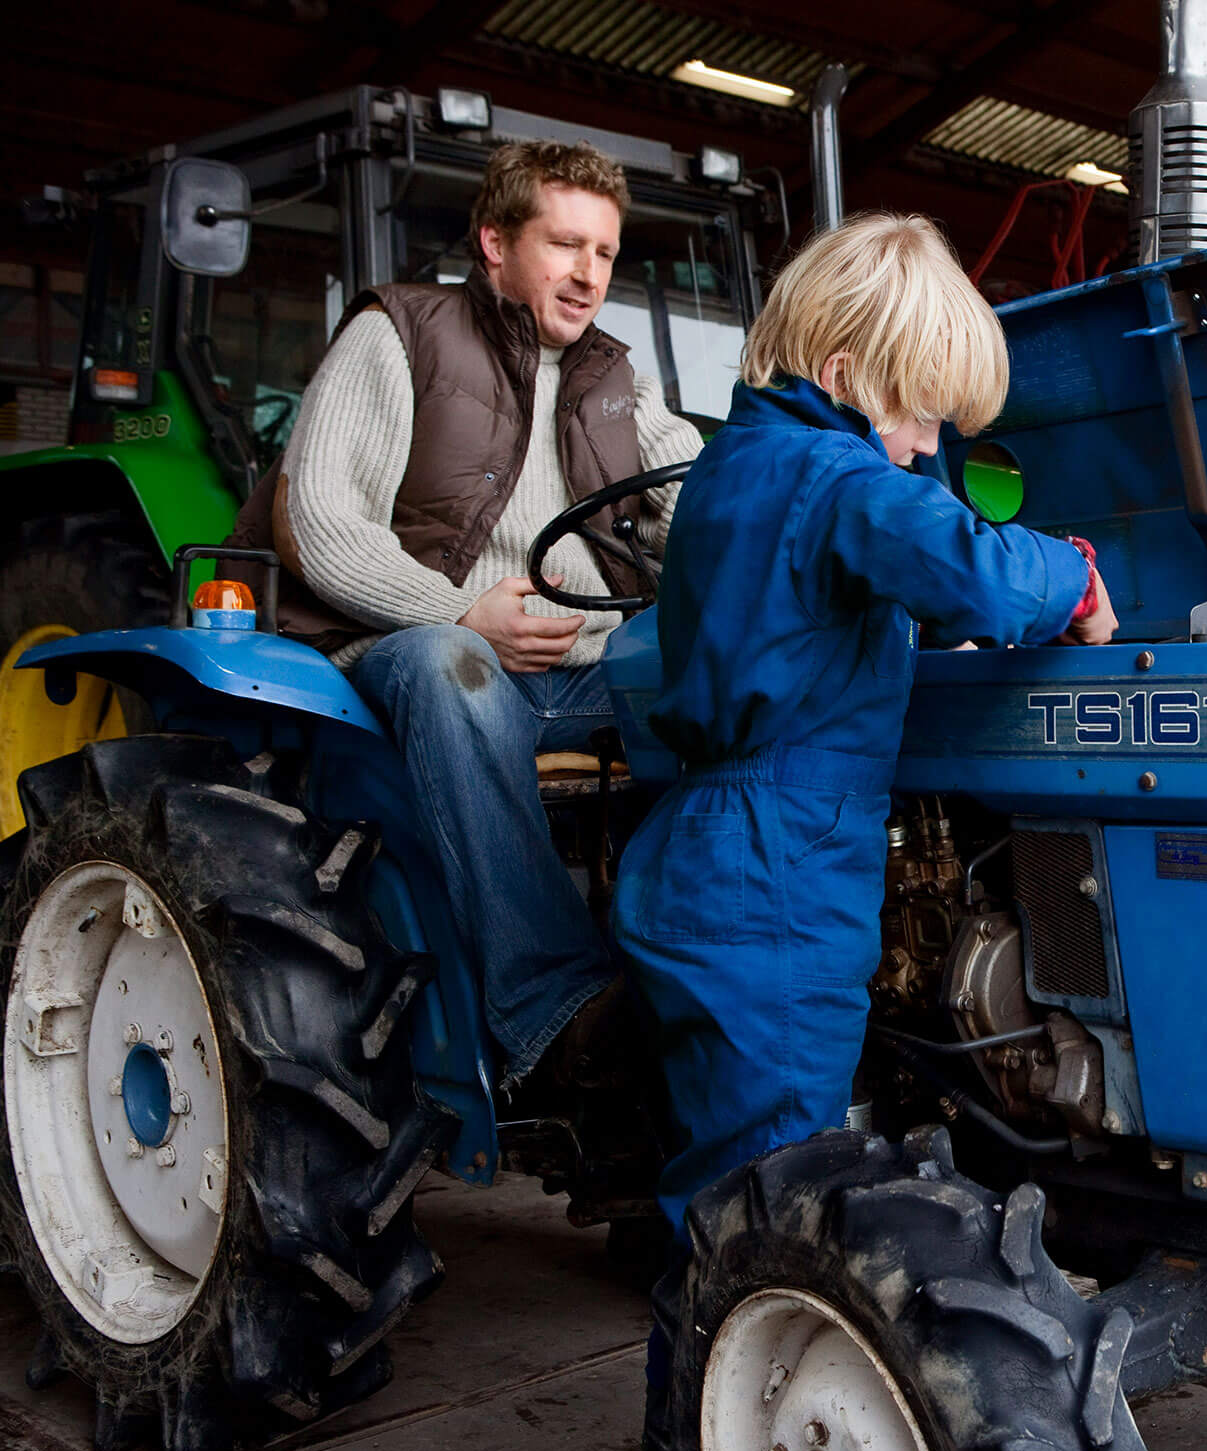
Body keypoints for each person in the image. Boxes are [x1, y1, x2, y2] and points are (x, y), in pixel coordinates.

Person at [612, 211, 1117, 1236]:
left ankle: (718, 1321)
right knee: (775, 1191)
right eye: (920, 415)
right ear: (844, 375)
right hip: (779, 862)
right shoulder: (832, 476)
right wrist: (1075, 577)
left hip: (717, 846)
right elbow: (975, 571)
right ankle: (748, 1334)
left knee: (728, 1185)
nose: (928, 446)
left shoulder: (734, 463)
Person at [230, 140, 705, 1087]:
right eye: (565, 245)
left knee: (723, 687)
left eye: (605, 253)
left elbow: (697, 496)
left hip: (587, 671)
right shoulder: (401, 333)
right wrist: (461, 612)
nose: (589, 275)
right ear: (495, 242)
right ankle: (555, 1006)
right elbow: (319, 522)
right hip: (419, 651)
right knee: (451, 669)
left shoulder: (615, 379)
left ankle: (705, 967)